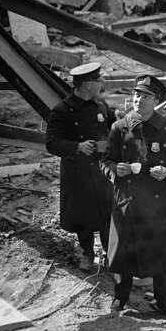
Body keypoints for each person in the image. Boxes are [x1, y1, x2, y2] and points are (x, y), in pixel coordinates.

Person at [100, 75, 166, 314]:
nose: (139, 100)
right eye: (137, 94)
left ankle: (163, 300)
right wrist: (114, 169)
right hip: (128, 201)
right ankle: (120, 298)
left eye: (146, 96)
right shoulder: (119, 128)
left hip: (157, 203)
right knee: (124, 253)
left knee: (160, 254)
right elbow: (105, 160)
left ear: (156, 100)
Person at [46, 62, 115, 271]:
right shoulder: (62, 111)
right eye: (97, 80)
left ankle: (109, 253)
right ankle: (87, 253)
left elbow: (113, 131)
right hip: (77, 172)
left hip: (101, 171)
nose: (101, 83)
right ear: (86, 85)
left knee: (106, 212)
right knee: (83, 215)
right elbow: (51, 143)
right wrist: (77, 146)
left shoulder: (101, 106)